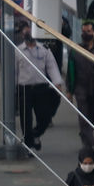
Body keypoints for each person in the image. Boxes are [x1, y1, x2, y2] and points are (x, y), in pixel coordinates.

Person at [15, 22, 64, 150]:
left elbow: (52, 66)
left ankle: (35, 134)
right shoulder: (18, 51)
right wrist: (13, 89)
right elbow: (14, 71)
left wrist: (57, 82)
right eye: (26, 32)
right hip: (24, 89)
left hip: (41, 88)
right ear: (22, 35)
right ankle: (29, 145)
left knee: (45, 117)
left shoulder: (44, 50)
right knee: (26, 120)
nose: (29, 34)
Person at [66, 19, 94, 149]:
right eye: (84, 31)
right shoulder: (75, 50)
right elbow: (70, 71)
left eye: (89, 31)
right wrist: (69, 90)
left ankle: (87, 135)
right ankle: (88, 144)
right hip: (81, 89)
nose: (86, 34)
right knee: (84, 117)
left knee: (93, 117)